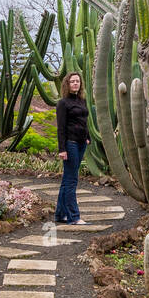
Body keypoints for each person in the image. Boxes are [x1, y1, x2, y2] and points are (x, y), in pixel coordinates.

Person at [55, 72, 90, 225]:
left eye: (77, 81)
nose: (75, 83)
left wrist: (88, 137)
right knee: (71, 180)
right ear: (67, 84)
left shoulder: (82, 101)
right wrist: (62, 149)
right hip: (70, 144)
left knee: (67, 179)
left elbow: (84, 120)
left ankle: (60, 214)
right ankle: (73, 217)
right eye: (72, 81)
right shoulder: (63, 103)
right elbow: (61, 128)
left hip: (82, 143)